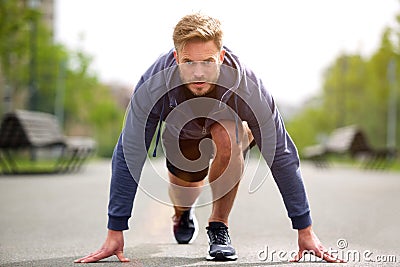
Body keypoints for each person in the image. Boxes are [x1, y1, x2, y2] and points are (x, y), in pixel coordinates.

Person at [75, 13, 344, 263]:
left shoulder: (246, 85)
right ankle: (182, 214)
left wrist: (304, 228)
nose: (199, 72)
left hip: (223, 123)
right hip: (181, 134)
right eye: (189, 62)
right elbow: (129, 153)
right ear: (176, 57)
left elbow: (281, 153)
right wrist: (115, 229)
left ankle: (219, 226)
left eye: (207, 61)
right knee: (186, 192)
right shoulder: (153, 84)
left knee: (231, 136)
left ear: (221, 55)